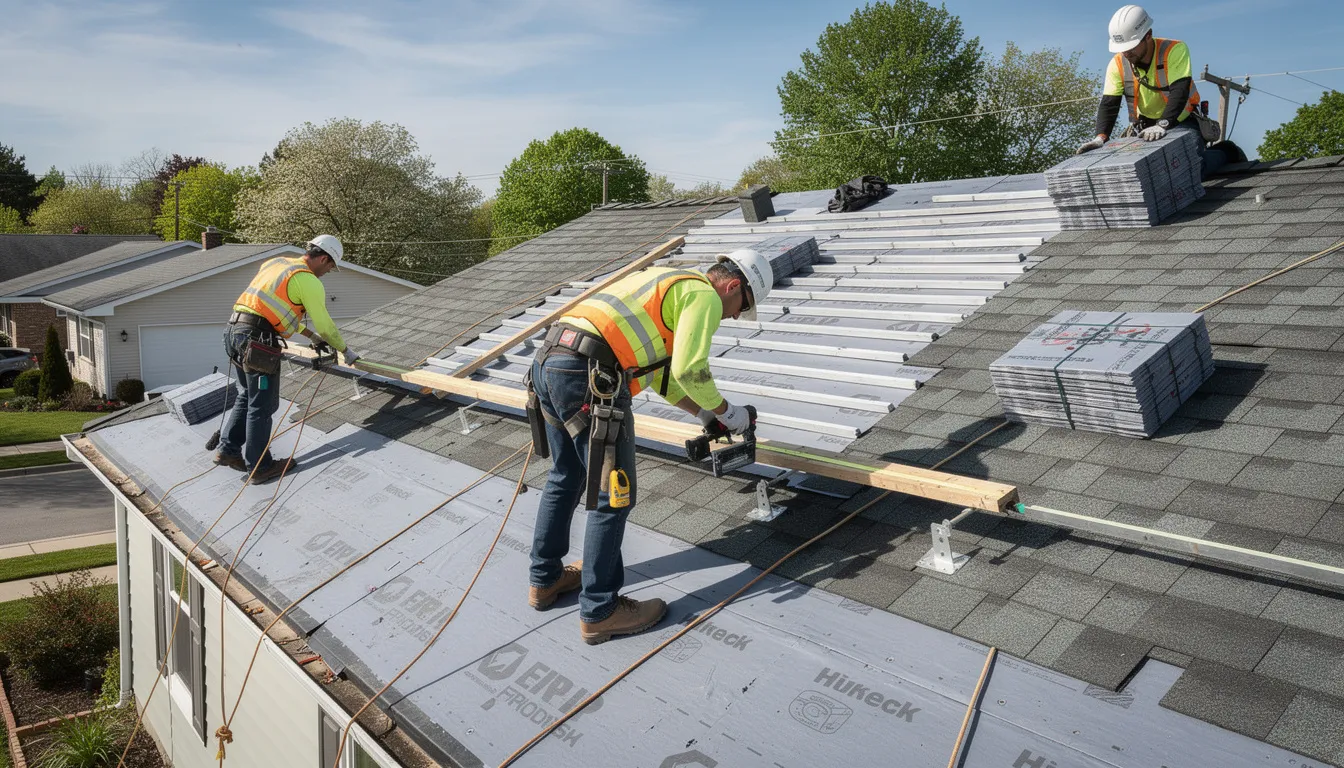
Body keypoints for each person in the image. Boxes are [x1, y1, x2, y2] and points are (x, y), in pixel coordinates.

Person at [526, 249, 771, 644]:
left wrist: (706, 416)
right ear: (732, 287)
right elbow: (691, 369)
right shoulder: (705, 296)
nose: (735, 317)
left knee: (566, 474)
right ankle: (600, 611)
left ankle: (545, 579)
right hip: (591, 375)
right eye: (743, 307)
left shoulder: (669, 284)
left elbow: (663, 376)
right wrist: (731, 412)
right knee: (613, 495)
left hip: (550, 361)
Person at [215, 235, 360, 484]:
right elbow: (325, 325)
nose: (328, 272)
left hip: (234, 332)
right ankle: (260, 467)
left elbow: (272, 311)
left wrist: (310, 336)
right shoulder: (308, 280)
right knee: (262, 406)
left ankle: (228, 450)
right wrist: (345, 350)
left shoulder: (277, 263)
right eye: (330, 266)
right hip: (258, 342)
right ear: (323, 258)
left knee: (246, 396)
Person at [1077, 6, 1206, 155]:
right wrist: (1100, 137)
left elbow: (1180, 90)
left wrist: (1163, 124)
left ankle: (1225, 151)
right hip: (1146, 126)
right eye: (1123, 48)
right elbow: (1109, 103)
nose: (1126, 53)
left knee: (1193, 159)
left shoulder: (1174, 50)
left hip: (1181, 121)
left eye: (1131, 47)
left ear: (1148, 35)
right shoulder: (1118, 63)